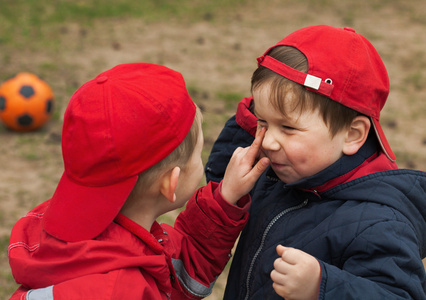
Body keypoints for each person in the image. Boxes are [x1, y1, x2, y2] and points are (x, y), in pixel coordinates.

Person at [7, 63, 270, 299]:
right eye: (197, 155)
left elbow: (182, 267)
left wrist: (225, 197)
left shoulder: (63, 237)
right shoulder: (121, 290)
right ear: (171, 183)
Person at [205, 25, 426, 299]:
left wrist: (323, 287)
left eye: (288, 128)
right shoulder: (278, 174)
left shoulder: (380, 223)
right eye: (263, 121)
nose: (269, 142)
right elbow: (213, 189)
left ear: (352, 134)